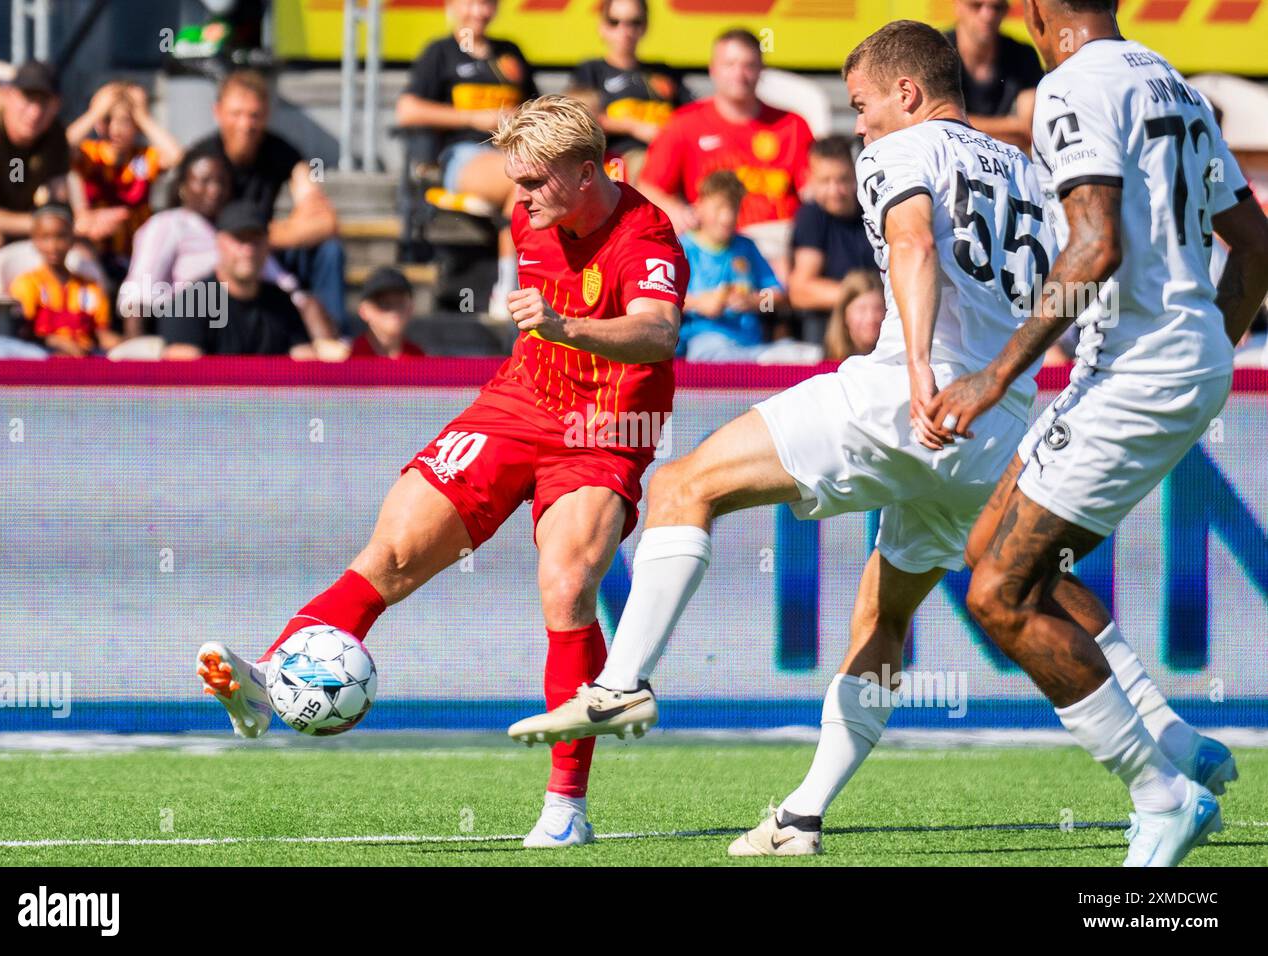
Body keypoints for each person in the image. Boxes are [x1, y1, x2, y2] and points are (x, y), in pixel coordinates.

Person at [507, 20, 1245, 866]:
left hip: (908, 393)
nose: (857, 125)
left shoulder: (902, 149)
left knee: (683, 486)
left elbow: (914, 243)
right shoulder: (1036, 169)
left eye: (861, 105)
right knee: (922, 604)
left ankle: (620, 684)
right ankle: (813, 813)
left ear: (907, 92)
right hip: (995, 423)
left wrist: (923, 368)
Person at [194, 97, 687, 848]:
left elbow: (658, 333)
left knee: (567, 584)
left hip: (603, 428)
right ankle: (273, 679)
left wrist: (566, 327)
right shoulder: (535, 212)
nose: (516, 200)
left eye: (531, 183)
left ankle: (565, 808)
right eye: (513, 182)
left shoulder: (645, 234)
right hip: (518, 403)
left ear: (587, 174)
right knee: (391, 552)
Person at [925, 0, 1268, 867]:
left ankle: (1162, 796)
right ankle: (1172, 737)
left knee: (999, 597)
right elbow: (1257, 246)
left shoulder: (1071, 85)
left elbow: (1094, 245)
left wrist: (994, 375)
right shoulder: (1173, 83)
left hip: (1135, 370)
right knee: (986, 548)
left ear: (1040, 10)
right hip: (1165, 359)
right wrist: (1205, 349)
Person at [396, 0, 538, 318]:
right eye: (471, 2)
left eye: (487, 3)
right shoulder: (440, 53)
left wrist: (518, 117)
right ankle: (509, 288)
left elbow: (536, 107)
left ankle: (510, 289)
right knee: (521, 179)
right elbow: (407, 110)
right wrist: (474, 118)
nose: (478, 11)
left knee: (526, 186)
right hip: (464, 156)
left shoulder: (510, 52)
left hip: (515, 153)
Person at [117, 144, 337, 348]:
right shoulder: (168, 224)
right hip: (188, 325)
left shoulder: (238, 228)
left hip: (241, 325)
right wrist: (139, 360)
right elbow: (139, 293)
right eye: (204, 181)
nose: (214, 190)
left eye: (221, 182)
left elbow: (284, 287)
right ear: (183, 187)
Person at [638, 29, 812, 280]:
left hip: (781, 244)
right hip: (717, 247)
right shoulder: (685, 124)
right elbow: (648, 187)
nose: (740, 74)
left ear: (762, 70)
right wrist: (677, 211)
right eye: (730, 64)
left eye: (749, 65)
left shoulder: (793, 126)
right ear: (713, 69)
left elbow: (813, 194)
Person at [189, 71, 346, 332]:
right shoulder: (201, 159)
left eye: (254, 115)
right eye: (236, 114)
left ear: (267, 115)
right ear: (217, 112)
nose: (245, 125)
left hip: (264, 251)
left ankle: (336, 341)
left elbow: (326, 221)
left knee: (329, 251)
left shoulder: (281, 151)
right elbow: (192, 230)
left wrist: (262, 238)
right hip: (213, 255)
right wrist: (258, 238)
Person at [0, 60, 125, 313]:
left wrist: (80, 223)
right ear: (8, 96)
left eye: (44, 102)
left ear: (57, 105)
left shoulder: (53, 135)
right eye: (28, 99)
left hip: (21, 229)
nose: (34, 112)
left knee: (82, 255)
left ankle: (78, 335)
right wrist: (41, 225)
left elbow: (57, 203)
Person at [159, 201, 325, 359]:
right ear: (219, 242)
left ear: (267, 244)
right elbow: (182, 375)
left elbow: (306, 367)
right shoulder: (191, 304)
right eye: (239, 239)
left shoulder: (281, 303)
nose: (248, 250)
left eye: (256, 240)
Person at [676, 169, 804, 363]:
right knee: (712, 352)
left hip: (750, 343)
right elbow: (664, 300)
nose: (726, 218)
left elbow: (777, 299)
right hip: (703, 343)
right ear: (699, 206)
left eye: (733, 208)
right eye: (719, 208)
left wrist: (753, 301)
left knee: (802, 355)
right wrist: (700, 304)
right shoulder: (684, 248)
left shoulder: (746, 247)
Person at [569, 0, 691, 184]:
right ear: (602, 27)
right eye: (614, 21)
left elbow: (691, 115)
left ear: (645, 26)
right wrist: (634, 127)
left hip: (671, 153)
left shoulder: (663, 72)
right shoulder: (591, 70)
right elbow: (578, 118)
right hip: (618, 159)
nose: (625, 30)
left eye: (634, 22)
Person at [67, 81, 184, 273]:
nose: (116, 129)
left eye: (125, 121)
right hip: (95, 250)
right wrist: (95, 113)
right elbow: (58, 149)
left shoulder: (144, 157)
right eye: (108, 119)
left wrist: (143, 116)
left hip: (139, 253)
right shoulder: (89, 153)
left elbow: (177, 158)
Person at [788, 135, 879, 342]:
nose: (835, 190)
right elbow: (801, 291)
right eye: (825, 181)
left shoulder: (874, 210)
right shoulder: (811, 216)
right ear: (809, 179)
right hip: (830, 330)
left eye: (843, 179)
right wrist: (863, 300)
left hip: (881, 321)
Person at [10, 202, 120, 357]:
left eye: (61, 237)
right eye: (45, 237)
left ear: (72, 238)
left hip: (86, 359)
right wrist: (56, 342)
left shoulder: (90, 287)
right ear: (34, 240)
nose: (53, 246)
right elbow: (22, 333)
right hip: (43, 358)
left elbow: (101, 333)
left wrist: (121, 344)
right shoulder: (27, 284)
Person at [945, 0, 1042, 152]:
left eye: (997, 8)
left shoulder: (1024, 56)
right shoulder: (937, 53)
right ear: (957, 6)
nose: (988, 15)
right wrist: (1011, 126)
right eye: (976, 5)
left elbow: (1027, 129)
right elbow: (934, 124)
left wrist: (960, 124)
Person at [350, 267, 426, 358]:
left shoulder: (418, 357)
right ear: (364, 311)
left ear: (411, 309)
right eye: (384, 303)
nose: (393, 311)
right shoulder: (350, 355)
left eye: (400, 303)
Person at [822, 268, 885, 362]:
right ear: (844, 314)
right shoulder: (824, 367)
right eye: (861, 309)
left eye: (878, 309)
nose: (871, 318)